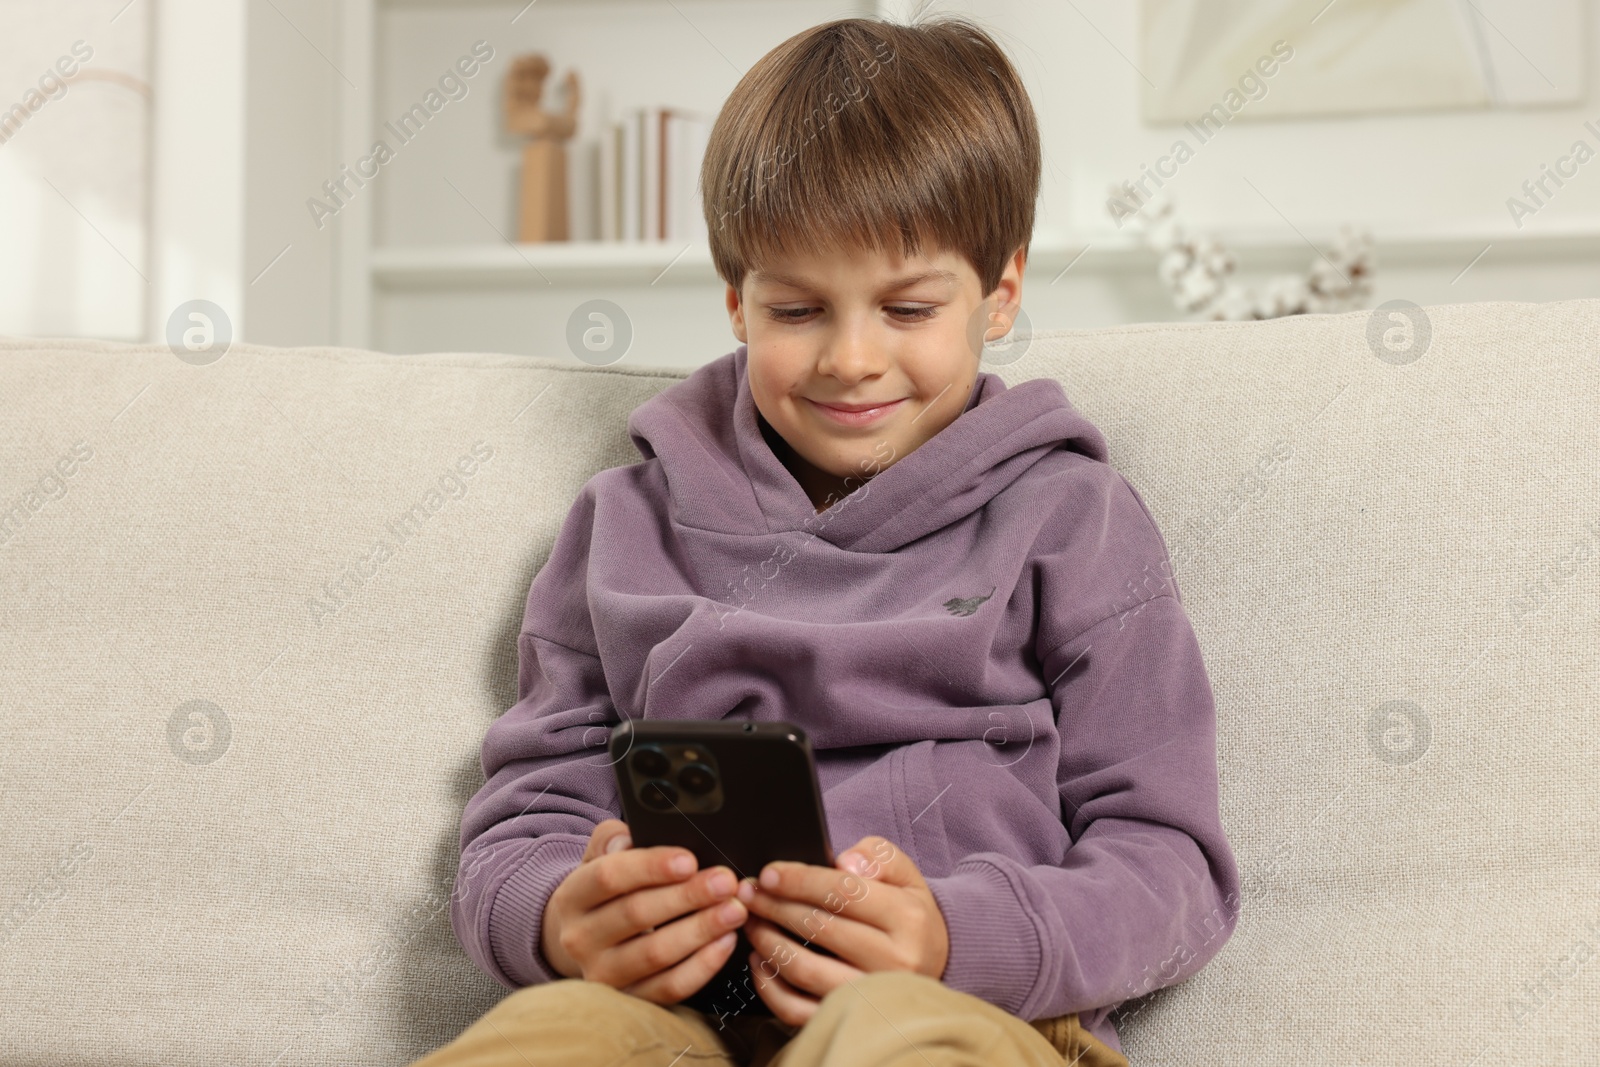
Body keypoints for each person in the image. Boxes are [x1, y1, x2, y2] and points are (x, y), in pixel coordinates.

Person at [411, 13, 1240, 1066]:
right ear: (735, 303)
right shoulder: (622, 524)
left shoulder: (1071, 518)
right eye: (798, 308)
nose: (852, 358)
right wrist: (554, 917)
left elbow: (1175, 867)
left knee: (886, 1038)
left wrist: (956, 935)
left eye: (905, 307)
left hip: (970, 1006)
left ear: (1000, 295)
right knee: (545, 1036)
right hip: (686, 1016)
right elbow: (520, 818)